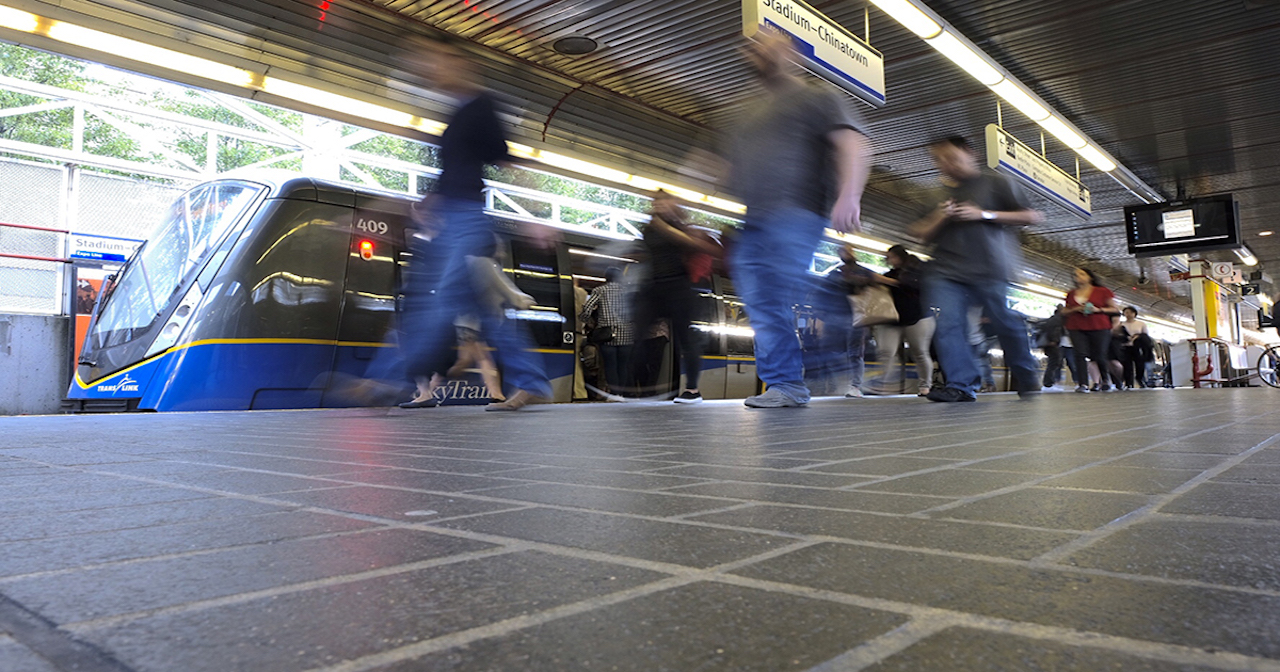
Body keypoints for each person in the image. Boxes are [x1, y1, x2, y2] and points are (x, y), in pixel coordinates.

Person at [353, 35, 551, 411]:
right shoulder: (457, 114)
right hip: (449, 221)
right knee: (480, 311)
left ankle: (388, 380)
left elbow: (507, 160)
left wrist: (536, 217)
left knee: (437, 300)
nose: (429, 70)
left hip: (467, 221)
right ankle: (532, 380)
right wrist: (428, 202)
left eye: (434, 60)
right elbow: (453, 173)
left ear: (459, 61)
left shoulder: (482, 106)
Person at [721, 29, 872, 408]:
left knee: (772, 291)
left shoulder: (816, 96)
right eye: (752, 44)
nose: (756, 48)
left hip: (799, 211)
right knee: (761, 301)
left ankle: (805, 366)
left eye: (767, 41)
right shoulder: (744, 110)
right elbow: (728, 164)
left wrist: (849, 194)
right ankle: (790, 381)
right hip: (754, 218)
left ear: (791, 52)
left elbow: (853, 143)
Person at [907, 135, 1045, 402]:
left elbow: (1031, 216)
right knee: (948, 324)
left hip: (990, 268)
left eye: (952, 157)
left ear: (971, 153)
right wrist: (940, 216)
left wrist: (984, 214)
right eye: (938, 159)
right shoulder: (933, 194)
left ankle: (1026, 374)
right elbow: (919, 233)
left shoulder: (996, 182)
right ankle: (961, 384)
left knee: (1004, 322)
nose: (946, 164)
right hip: (945, 271)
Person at [630, 191, 722, 403]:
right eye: (656, 201)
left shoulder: (682, 228)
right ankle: (636, 389)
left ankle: (692, 390)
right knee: (639, 334)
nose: (659, 204)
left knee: (685, 339)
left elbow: (697, 246)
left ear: (673, 204)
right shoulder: (649, 229)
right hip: (654, 286)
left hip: (679, 286)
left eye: (664, 201)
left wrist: (667, 228)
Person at [869, 245, 934, 396]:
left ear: (900, 256)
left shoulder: (917, 270)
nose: (889, 260)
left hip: (918, 317)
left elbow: (909, 284)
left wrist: (884, 280)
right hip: (893, 319)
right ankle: (885, 383)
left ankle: (925, 385)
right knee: (886, 351)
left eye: (891, 256)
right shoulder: (890, 274)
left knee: (919, 352)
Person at [1063, 267, 1120, 393]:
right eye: (1075, 274)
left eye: (1081, 274)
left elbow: (1115, 309)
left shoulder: (1102, 291)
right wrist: (1075, 309)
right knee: (1079, 354)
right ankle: (1083, 383)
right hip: (1076, 326)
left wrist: (1098, 310)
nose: (1077, 276)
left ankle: (1105, 379)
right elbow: (1065, 311)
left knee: (1099, 354)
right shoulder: (1071, 294)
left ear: (1090, 277)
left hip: (1099, 326)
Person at [580, 267, 634, 396]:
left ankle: (615, 394)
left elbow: (587, 308)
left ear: (606, 278)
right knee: (624, 365)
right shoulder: (629, 291)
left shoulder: (600, 290)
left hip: (607, 334)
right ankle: (623, 393)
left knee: (610, 365)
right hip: (627, 333)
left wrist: (584, 320)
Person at [1038, 305, 1068, 389]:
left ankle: (1050, 382)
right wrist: (1054, 340)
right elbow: (1054, 331)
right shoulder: (1057, 320)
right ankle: (1048, 383)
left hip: (1050, 343)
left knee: (1055, 362)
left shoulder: (1053, 319)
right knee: (1054, 362)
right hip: (1052, 343)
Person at [1121, 306, 1151, 387]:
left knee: (1140, 364)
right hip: (1126, 347)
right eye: (1126, 312)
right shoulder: (1121, 324)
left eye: (1131, 312)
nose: (1129, 314)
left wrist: (1138, 336)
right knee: (1127, 365)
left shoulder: (1141, 324)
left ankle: (1140, 378)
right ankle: (1128, 382)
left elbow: (1145, 335)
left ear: (1135, 314)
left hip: (1138, 347)